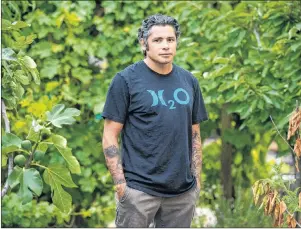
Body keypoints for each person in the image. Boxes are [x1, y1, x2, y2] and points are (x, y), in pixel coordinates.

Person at [101, 14, 208, 228]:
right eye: (158, 40)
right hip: (139, 191)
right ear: (144, 43)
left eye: (170, 40)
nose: (166, 46)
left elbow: (194, 133)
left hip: (182, 193)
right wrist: (121, 185)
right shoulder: (125, 80)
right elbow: (110, 134)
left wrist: (196, 180)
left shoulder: (189, 81)